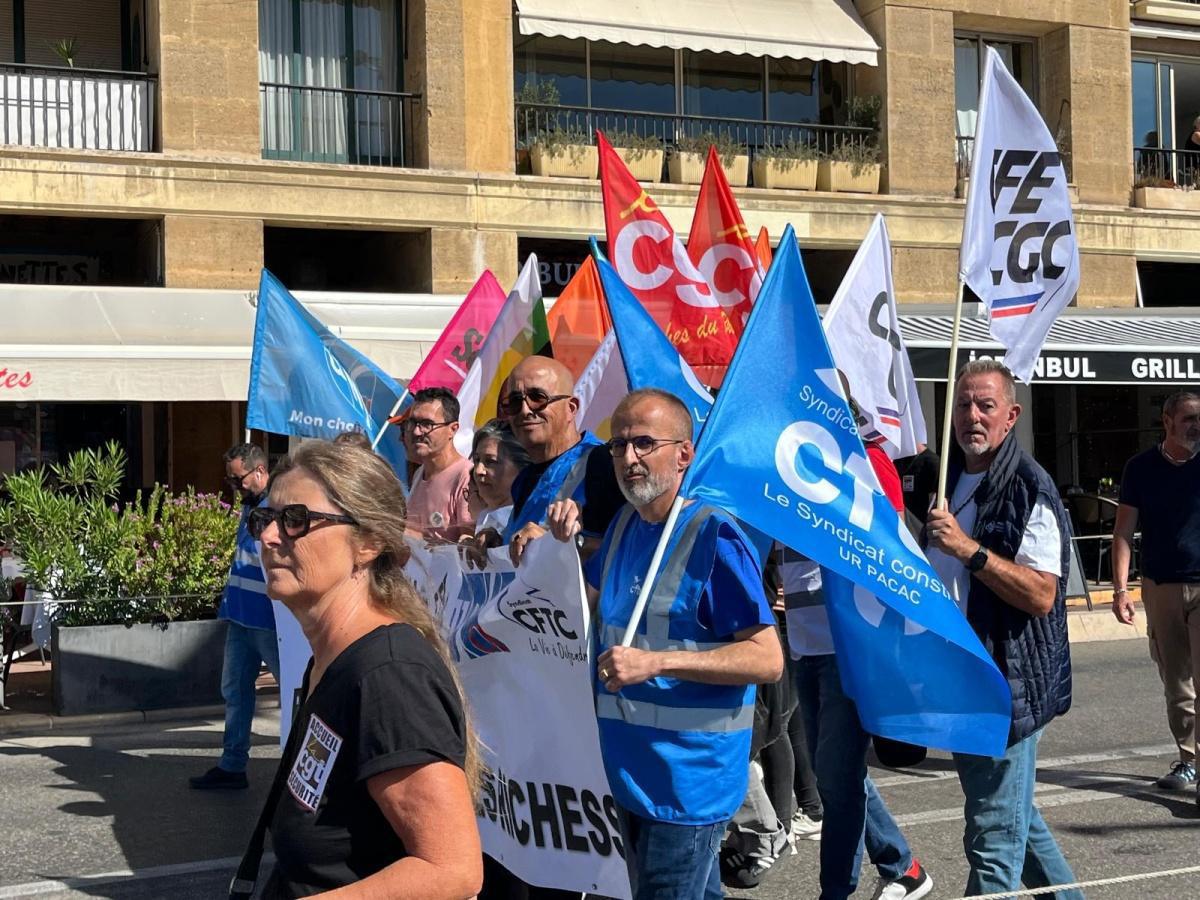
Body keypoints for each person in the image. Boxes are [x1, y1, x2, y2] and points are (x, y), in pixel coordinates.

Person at [547, 388, 783, 899]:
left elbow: (767, 658)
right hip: (622, 775)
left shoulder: (713, 536)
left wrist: (656, 663)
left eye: (643, 444)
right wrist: (553, 548)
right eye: (618, 445)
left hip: (686, 785)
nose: (627, 457)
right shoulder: (624, 525)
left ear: (683, 454)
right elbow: (582, 610)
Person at [253, 440, 482, 898]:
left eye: (296, 520)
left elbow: (452, 869)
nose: (269, 536)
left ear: (369, 542)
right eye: (265, 519)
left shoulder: (388, 673)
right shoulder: (334, 658)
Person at [924, 360, 1079, 899]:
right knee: (1015, 822)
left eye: (986, 405)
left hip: (1003, 684)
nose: (972, 415)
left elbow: (1041, 595)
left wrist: (969, 551)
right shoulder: (940, 477)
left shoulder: (1027, 485)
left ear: (1011, 416)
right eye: (963, 403)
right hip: (957, 677)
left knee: (992, 840)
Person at [783, 430, 932, 900]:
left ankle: (835, 892)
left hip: (848, 646)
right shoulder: (786, 457)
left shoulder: (866, 461)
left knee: (837, 780)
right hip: (804, 643)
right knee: (838, 774)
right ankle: (902, 867)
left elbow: (889, 545)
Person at [1112, 390, 1200, 794]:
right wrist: (1120, 588)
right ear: (1166, 421)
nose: (1196, 426)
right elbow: (1124, 531)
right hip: (1160, 585)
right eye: (1189, 419)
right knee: (1176, 681)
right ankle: (1189, 761)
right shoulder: (1140, 468)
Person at [189, 443, 280, 791]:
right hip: (241, 614)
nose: (234, 486)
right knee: (235, 690)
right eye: (229, 480)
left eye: (237, 479)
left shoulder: (278, 505)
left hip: (268, 618)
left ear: (259, 471)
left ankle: (297, 766)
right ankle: (232, 765)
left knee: (294, 693)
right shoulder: (251, 504)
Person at [499, 356, 623, 564]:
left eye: (537, 397)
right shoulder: (524, 479)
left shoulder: (604, 464)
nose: (525, 410)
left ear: (571, 408)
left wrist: (556, 543)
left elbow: (630, 550)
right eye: (513, 402)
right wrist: (497, 541)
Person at [403, 387, 474, 542]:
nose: (416, 432)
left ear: (453, 429)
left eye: (427, 424)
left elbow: (469, 541)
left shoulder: (466, 476)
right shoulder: (419, 473)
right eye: (413, 423)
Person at [467, 418, 530, 536]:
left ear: (521, 468)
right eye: (476, 460)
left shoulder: (528, 523)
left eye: (491, 461)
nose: (478, 470)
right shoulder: (485, 517)